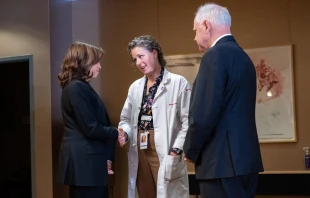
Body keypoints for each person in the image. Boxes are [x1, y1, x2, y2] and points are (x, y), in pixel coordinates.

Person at [183, 3, 264, 198]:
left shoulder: (214, 56)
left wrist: (190, 150)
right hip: (246, 162)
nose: (194, 37)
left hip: (220, 164)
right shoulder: (243, 58)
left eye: (195, 31)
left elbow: (203, 114)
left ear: (206, 25)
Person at [118, 35, 191, 198]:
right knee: (145, 193)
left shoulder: (178, 83)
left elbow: (188, 121)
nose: (138, 63)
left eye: (141, 56)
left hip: (165, 148)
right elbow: (126, 119)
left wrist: (176, 150)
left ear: (155, 53)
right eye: (134, 59)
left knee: (167, 192)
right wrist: (124, 131)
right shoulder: (135, 87)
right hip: (140, 147)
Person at [57, 41, 119, 198]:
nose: (99, 66)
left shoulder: (77, 86)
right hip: (85, 166)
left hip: (87, 166)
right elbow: (90, 128)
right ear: (84, 62)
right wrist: (117, 133)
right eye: (96, 62)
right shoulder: (77, 87)